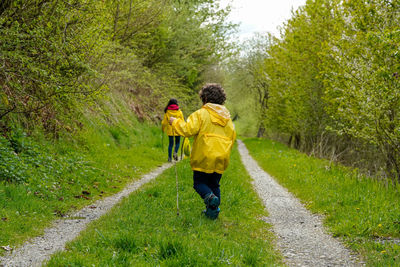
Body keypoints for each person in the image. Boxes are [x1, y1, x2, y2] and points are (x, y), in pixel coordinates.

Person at [169, 83, 236, 219]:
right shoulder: (228, 118)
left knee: (199, 183)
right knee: (214, 184)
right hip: (221, 157)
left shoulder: (201, 114)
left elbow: (187, 130)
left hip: (204, 156)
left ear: (204, 98)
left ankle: (210, 198)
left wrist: (175, 122)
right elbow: (232, 137)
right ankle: (213, 212)